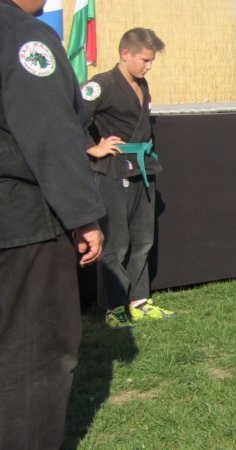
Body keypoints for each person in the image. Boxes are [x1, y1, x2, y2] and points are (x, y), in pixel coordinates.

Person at [0, 0, 107, 447]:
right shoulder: (22, 36)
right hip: (21, 224)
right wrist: (82, 215)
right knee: (33, 355)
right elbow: (49, 131)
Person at [81, 28, 173, 329]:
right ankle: (115, 306)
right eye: (145, 60)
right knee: (116, 243)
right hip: (113, 170)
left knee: (143, 239)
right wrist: (92, 147)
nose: (149, 66)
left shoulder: (142, 84)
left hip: (142, 167)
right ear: (125, 54)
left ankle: (139, 301)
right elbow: (72, 116)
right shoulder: (101, 84)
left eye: (151, 60)